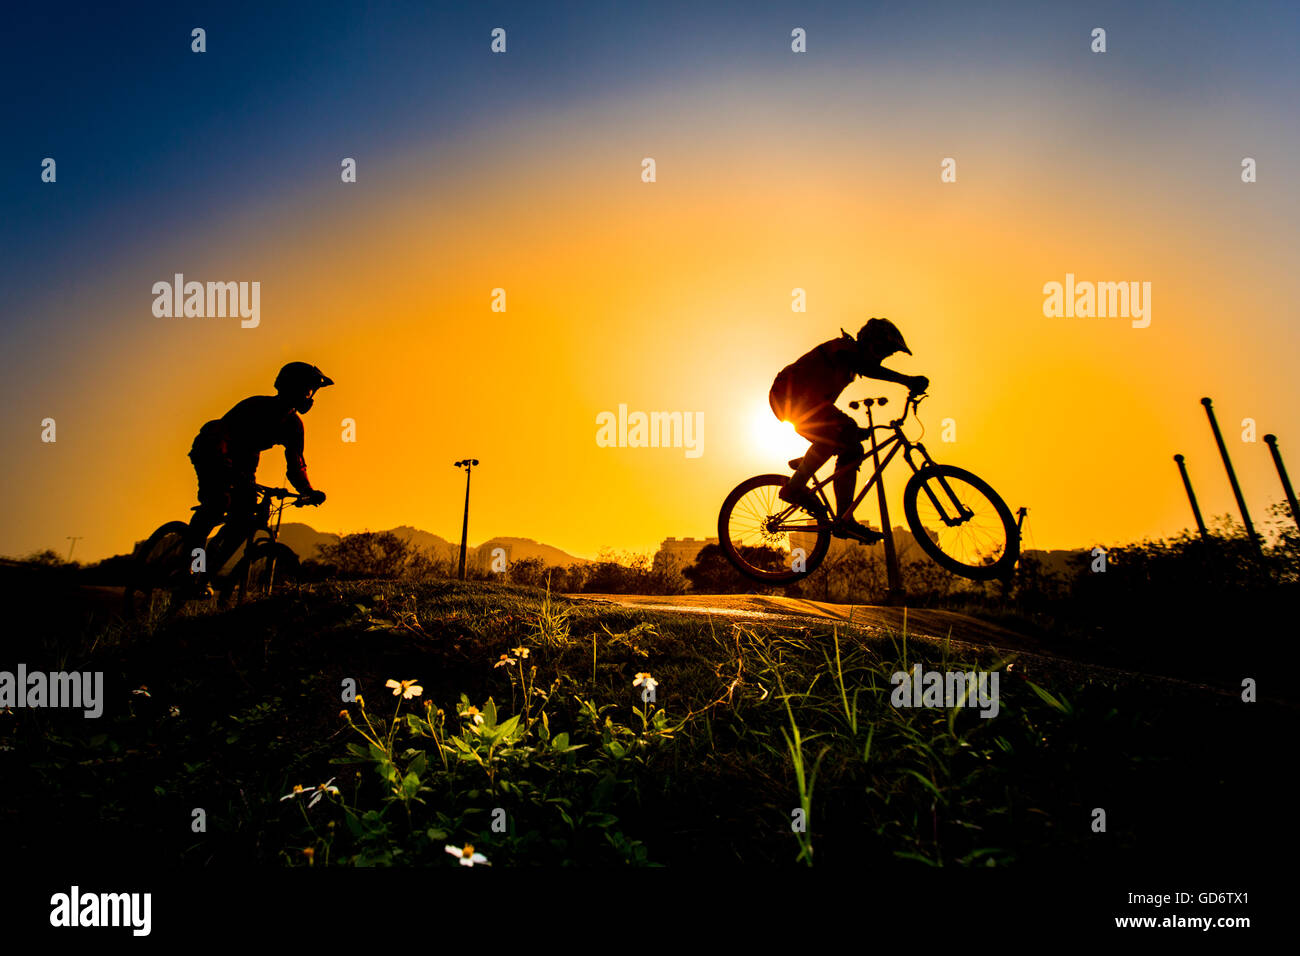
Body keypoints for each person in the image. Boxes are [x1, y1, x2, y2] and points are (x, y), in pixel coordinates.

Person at [769, 318, 928, 543]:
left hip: (806, 404)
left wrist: (853, 434)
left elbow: (860, 373)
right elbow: (868, 367)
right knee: (841, 431)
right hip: (789, 397)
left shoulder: (850, 367)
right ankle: (794, 487)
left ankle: (845, 518)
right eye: (883, 351)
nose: (883, 358)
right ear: (871, 343)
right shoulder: (844, 348)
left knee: (852, 449)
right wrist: (907, 380)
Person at [185, 362, 331, 589]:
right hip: (212, 449)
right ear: (290, 387)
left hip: (244, 461)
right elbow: (220, 437)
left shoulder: (294, 426)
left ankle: (206, 574)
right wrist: (228, 470)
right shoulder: (256, 406)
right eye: (307, 389)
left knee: (245, 518)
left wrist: (308, 492)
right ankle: (193, 570)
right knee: (216, 505)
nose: (310, 396)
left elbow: (296, 465)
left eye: (312, 391)